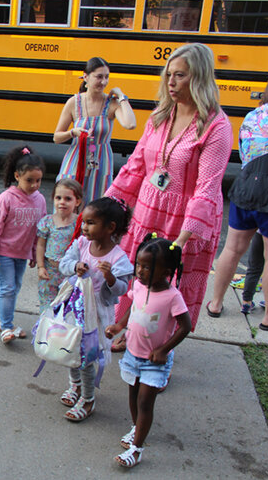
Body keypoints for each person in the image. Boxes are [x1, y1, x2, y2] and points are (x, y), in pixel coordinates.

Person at [105, 43, 232, 351]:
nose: (171, 82)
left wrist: (182, 242)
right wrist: (106, 208)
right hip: (148, 211)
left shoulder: (216, 127)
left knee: (168, 290)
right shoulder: (161, 115)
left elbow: (208, 187)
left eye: (180, 75)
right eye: (169, 75)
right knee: (139, 277)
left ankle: (161, 354)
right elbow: (135, 166)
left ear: (199, 77)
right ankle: (130, 331)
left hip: (184, 222)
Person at [205, 67, 268, 331]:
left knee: (232, 249)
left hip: (245, 188)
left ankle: (216, 303)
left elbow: (245, 152)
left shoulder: (253, 115)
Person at [106, 234, 192, 468]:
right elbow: (133, 307)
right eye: (138, 265)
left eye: (147, 267)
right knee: (133, 396)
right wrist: (119, 326)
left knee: (145, 402)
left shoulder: (173, 296)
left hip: (154, 361)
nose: (140, 271)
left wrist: (164, 349)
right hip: (132, 354)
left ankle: (137, 449)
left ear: (167, 270)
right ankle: (137, 429)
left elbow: (186, 326)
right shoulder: (139, 286)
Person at [58, 197, 134, 422]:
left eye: (91, 223)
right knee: (70, 350)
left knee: (87, 357)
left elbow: (121, 289)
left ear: (110, 227)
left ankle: (88, 399)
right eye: (84, 222)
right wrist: (74, 266)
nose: (84, 227)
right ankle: (76, 385)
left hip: (97, 315)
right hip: (74, 307)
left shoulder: (118, 258)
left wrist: (110, 276)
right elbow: (64, 264)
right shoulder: (81, 244)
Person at [0, 145, 47, 343]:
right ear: (17, 176)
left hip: (22, 254)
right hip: (4, 253)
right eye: (29, 180)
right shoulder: (7, 198)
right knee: (7, 288)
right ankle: (6, 325)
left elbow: (41, 229)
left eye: (38, 180)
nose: (34, 185)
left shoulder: (40, 200)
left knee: (15, 287)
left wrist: (35, 253)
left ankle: (7, 322)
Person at [54, 57, 136, 204]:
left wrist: (122, 96)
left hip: (101, 163)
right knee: (69, 205)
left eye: (107, 77)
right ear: (86, 77)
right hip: (75, 160)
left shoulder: (111, 104)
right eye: (99, 77)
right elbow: (57, 137)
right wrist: (72, 132)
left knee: (97, 209)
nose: (104, 82)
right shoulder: (74, 102)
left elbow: (130, 124)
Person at [36, 178, 84, 313]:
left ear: (77, 201)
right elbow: (40, 245)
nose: (62, 202)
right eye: (58, 198)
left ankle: (61, 331)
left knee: (66, 304)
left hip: (70, 272)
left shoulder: (79, 223)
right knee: (47, 303)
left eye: (68, 199)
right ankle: (45, 329)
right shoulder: (48, 222)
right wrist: (40, 267)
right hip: (49, 270)